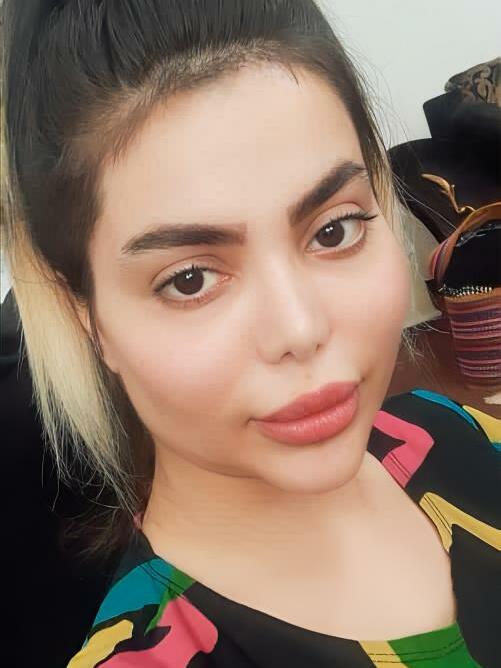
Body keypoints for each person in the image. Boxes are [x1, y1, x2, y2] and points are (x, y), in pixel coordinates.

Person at [1, 1, 499, 666]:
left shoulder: (449, 428)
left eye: (333, 230)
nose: (301, 328)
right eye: (189, 280)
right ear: (87, 319)